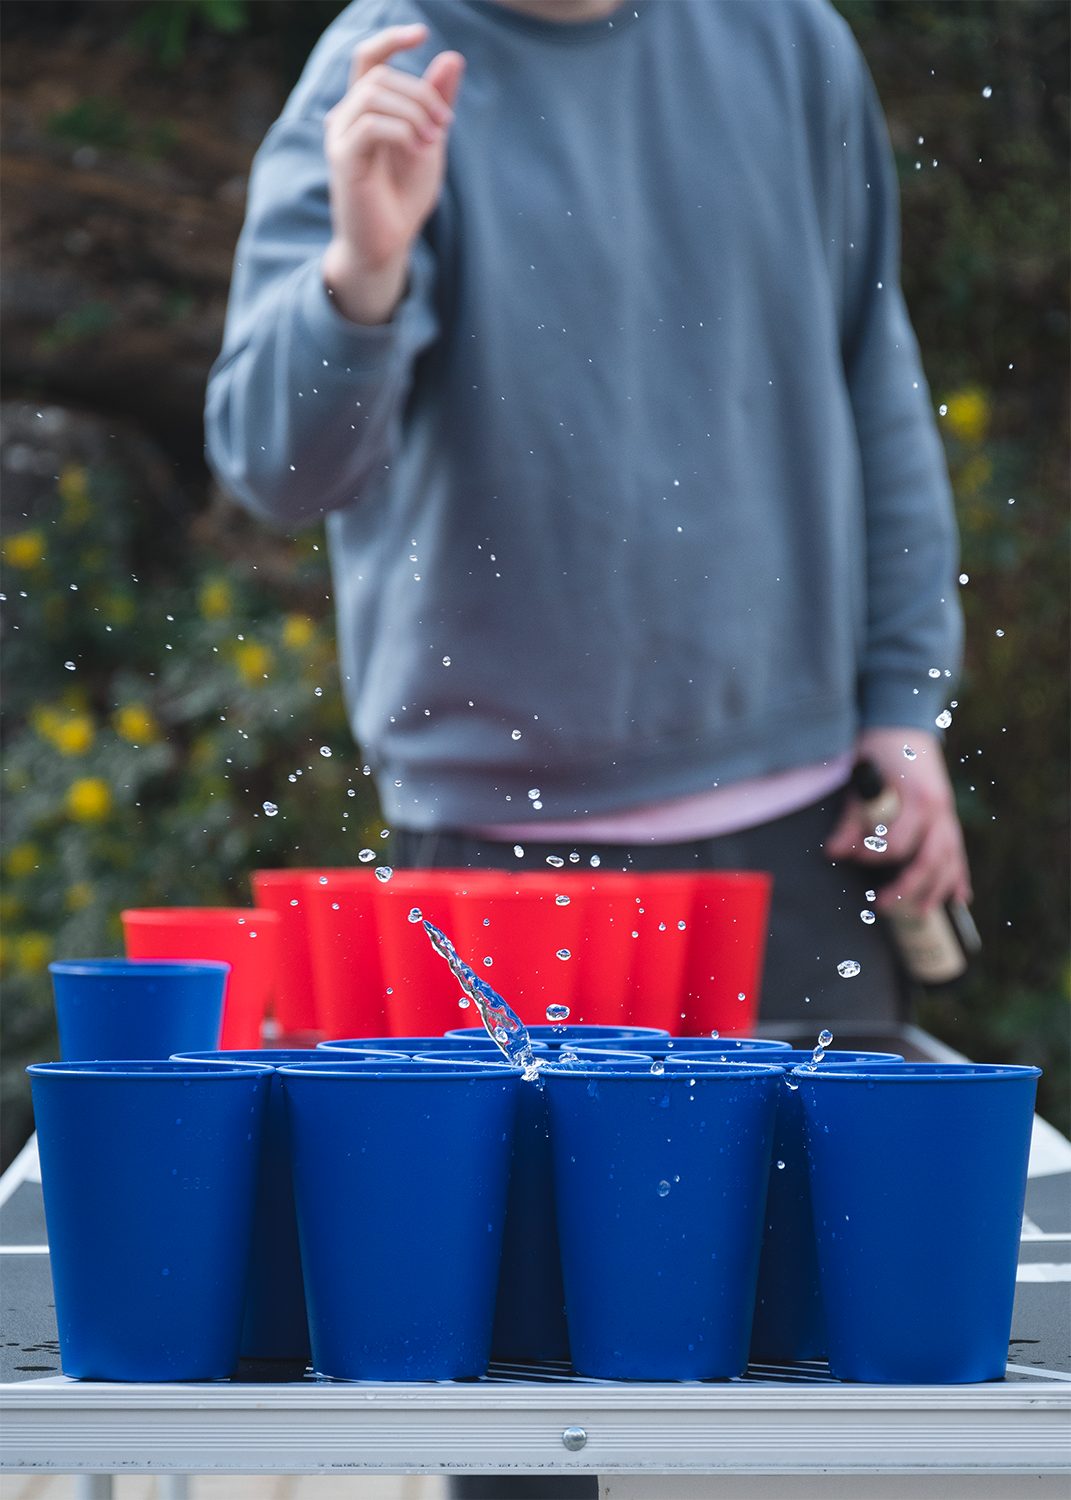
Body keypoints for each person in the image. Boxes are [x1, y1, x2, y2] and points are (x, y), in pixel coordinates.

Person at [206, 0, 971, 1033]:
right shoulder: (382, 71)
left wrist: (905, 704)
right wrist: (361, 276)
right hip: (491, 860)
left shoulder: (789, 37)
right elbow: (275, 468)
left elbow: (872, 378)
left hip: (804, 828)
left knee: (821, 1199)